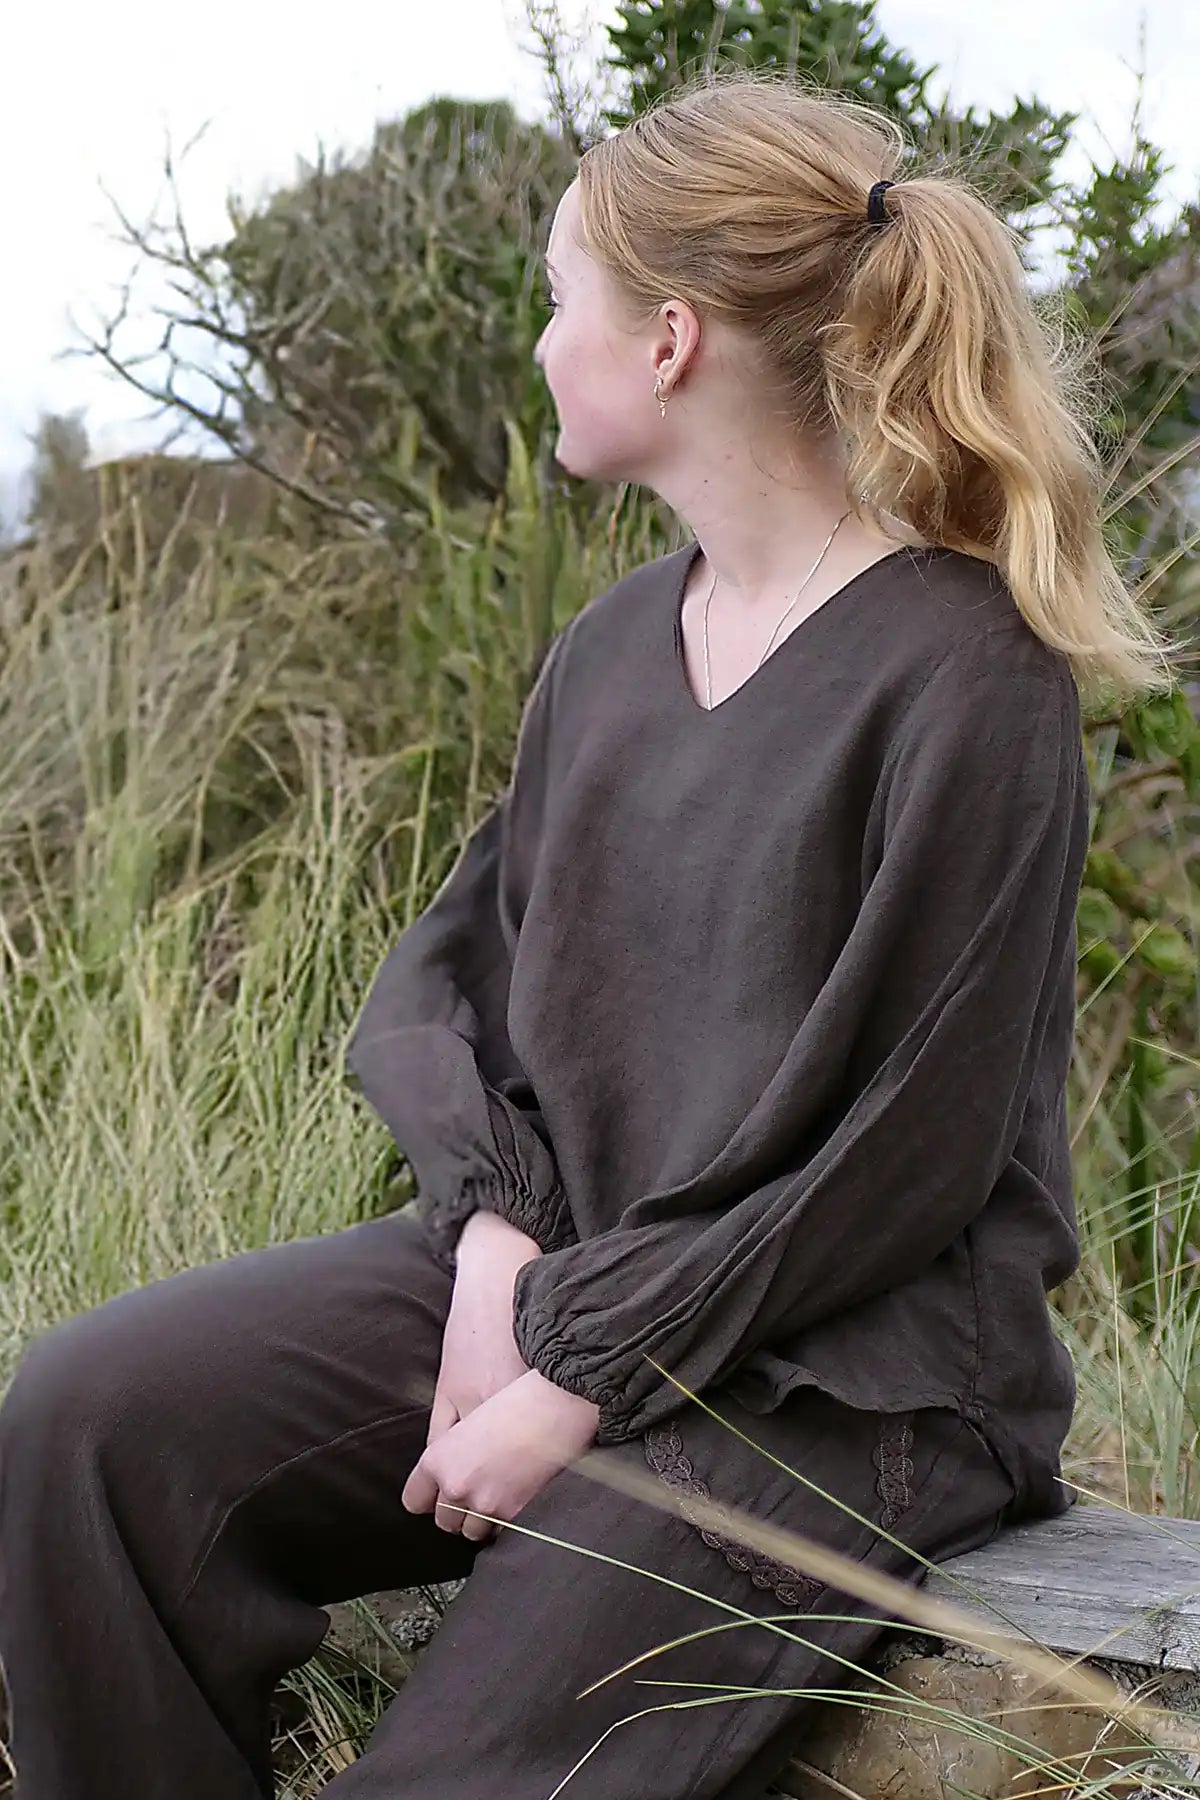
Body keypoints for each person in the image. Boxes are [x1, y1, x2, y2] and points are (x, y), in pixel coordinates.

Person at [0, 68, 1177, 1800]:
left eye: (565, 301)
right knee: (92, 1429)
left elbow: (901, 1159)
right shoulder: (622, 643)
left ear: (673, 341)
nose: (545, 342)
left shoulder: (967, 675)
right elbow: (469, 979)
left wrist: (572, 1365)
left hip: (841, 1380)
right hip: (566, 1277)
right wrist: (496, 1245)